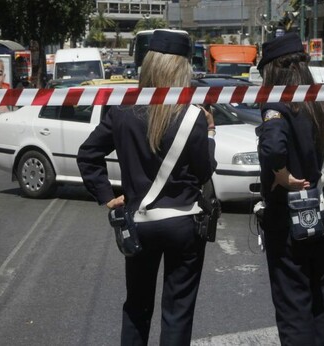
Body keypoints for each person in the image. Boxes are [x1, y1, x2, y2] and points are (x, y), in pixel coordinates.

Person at [77, 30, 217, 345]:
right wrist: (209, 135)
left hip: (138, 223)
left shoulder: (123, 111)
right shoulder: (192, 116)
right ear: (182, 69)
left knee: (137, 307)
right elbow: (204, 171)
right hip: (183, 223)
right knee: (178, 311)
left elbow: (88, 155)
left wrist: (107, 197)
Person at [256, 33, 324, 346]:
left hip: (292, 214)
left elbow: (273, 146)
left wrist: (281, 174)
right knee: (320, 297)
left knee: (293, 304)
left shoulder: (278, 103)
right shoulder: (320, 102)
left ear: (272, 70)